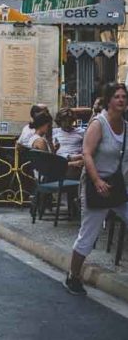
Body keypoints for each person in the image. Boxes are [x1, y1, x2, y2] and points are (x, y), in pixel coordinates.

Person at [66, 83, 128, 296]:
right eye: (117, 96)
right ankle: (73, 275)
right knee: (88, 235)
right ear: (109, 100)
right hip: (96, 186)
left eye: (124, 97)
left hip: (118, 187)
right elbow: (87, 153)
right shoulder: (99, 124)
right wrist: (97, 181)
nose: (121, 100)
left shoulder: (126, 127)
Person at [53, 107, 85, 177]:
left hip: (77, 161)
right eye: (64, 121)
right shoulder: (54, 132)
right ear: (60, 121)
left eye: (69, 121)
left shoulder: (81, 132)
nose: (67, 124)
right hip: (61, 160)